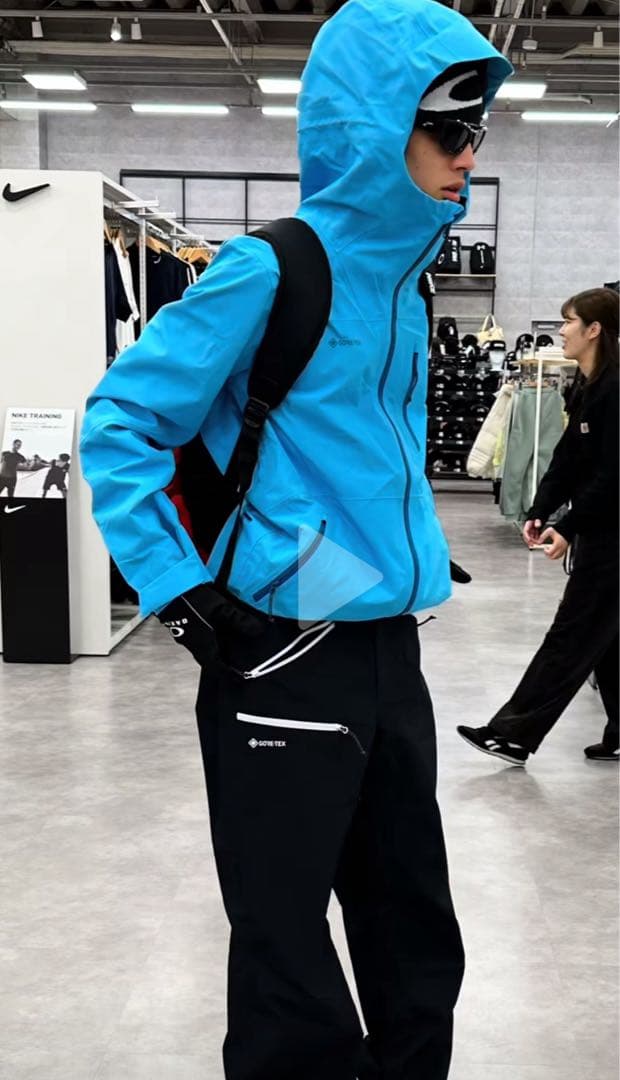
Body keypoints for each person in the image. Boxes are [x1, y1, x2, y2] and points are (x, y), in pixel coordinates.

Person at [80, 2, 511, 1077]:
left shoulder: (403, 283)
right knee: (286, 950)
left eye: (475, 131)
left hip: (390, 646)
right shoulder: (270, 268)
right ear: (374, 127)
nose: (467, 154)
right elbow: (122, 422)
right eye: (447, 130)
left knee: (414, 930)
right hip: (281, 645)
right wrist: (180, 592)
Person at [458, 287, 619, 767]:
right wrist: (540, 507)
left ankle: (512, 735)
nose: (561, 330)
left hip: (612, 537)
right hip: (600, 529)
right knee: (606, 637)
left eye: (568, 321)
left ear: (594, 329)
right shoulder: (588, 385)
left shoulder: (616, 389)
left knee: (572, 634)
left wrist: (567, 525)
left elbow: (613, 475)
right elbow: (568, 457)